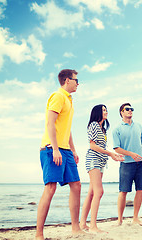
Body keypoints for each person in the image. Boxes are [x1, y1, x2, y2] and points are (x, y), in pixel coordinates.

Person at [36, 69, 83, 240]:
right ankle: (39, 235)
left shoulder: (69, 100)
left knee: (76, 185)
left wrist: (73, 149)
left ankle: (76, 228)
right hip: (51, 148)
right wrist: (55, 149)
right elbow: (50, 123)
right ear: (66, 80)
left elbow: (67, 128)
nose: (78, 83)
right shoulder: (58, 96)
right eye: (76, 80)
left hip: (65, 149)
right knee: (50, 188)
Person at [80, 104, 124, 233]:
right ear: (97, 112)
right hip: (93, 160)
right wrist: (110, 154)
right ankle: (93, 226)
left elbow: (102, 149)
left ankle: (83, 223)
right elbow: (92, 146)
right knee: (99, 192)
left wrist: (113, 156)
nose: (106, 112)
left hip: (101, 161)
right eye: (104, 110)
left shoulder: (103, 129)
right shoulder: (93, 125)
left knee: (92, 193)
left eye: (106, 110)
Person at [112, 103, 142, 226]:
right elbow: (117, 149)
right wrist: (131, 154)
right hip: (126, 164)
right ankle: (119, 219)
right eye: (127, 109)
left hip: (141, 162)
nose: (130, 111)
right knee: (123, 191)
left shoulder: (138, 126)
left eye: (131, 109)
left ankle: (135, 217)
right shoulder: (117, 129)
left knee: (140, 189)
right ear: (121, 112)